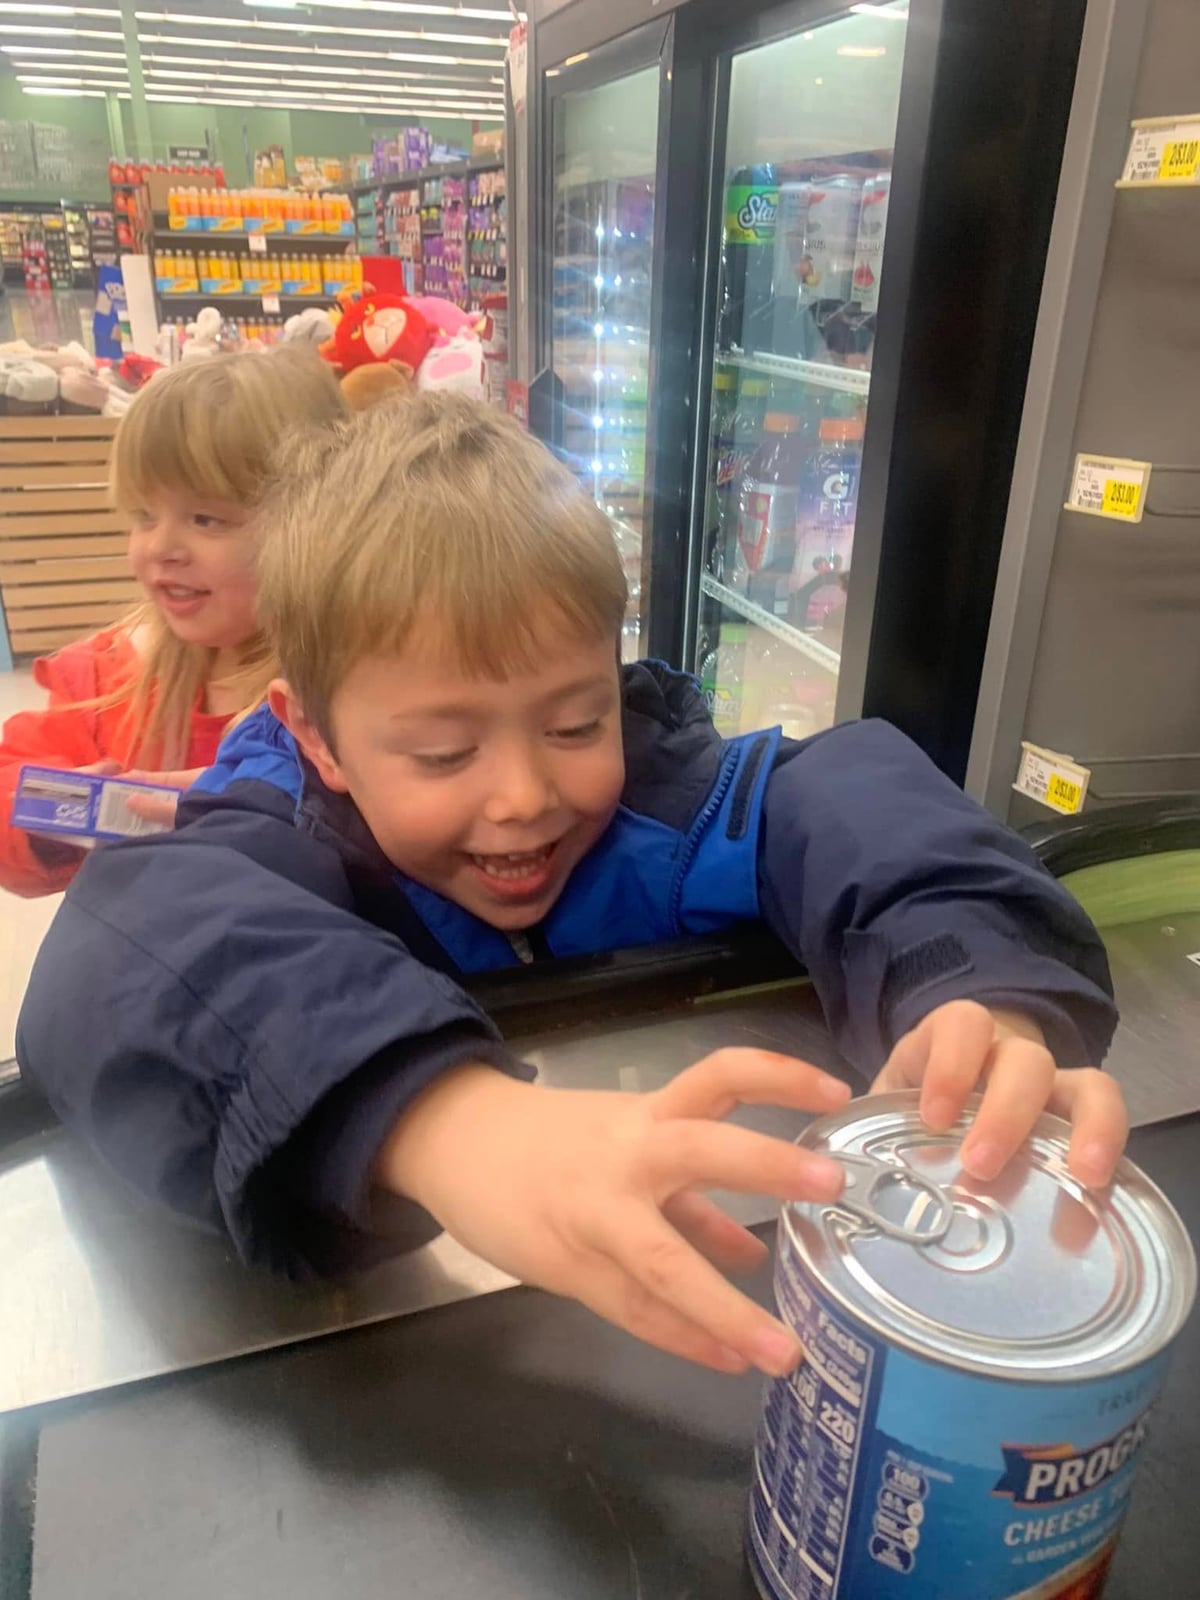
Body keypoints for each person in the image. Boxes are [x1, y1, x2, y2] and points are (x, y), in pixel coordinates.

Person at [17, 394, 1124, 1380]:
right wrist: (447, 1124)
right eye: (444, 754)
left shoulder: (672, 808)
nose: (522, 796)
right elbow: (131, 944)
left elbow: (856, 800)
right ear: (320, 737)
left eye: (574, 722)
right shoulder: (285, 841)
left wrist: (980, 989)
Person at [0, 348, 346, 897]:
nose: (160, 547)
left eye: (205, 518)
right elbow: (10, 783)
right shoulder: (107, 679)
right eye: (143, 515)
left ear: (314, 527)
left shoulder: (347, 690)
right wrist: (62, 811)